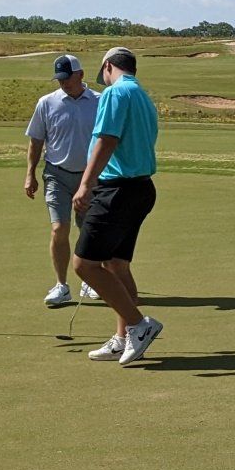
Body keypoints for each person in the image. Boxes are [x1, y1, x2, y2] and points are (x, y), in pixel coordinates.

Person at [72, 47, 164, 365]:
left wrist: (85, 184)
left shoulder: (115, 93)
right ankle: (123, 338)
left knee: (84, 265)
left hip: (117, 190)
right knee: (116, 264)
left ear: (108, 66)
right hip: (140, 189)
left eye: (104, 74)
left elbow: (107, 140)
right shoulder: (143, 96)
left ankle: (139, 325)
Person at [23, 54, 102, 308]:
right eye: (59, 79)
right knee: (59, 228)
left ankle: (91, 280)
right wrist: (30, 173)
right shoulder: (46, 103)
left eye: (67, 78)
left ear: (80, 75)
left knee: (88, 230)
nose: (63, 83)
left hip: (90, 177)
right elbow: (36, 141)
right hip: (56, 174)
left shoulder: (100, 101)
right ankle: (61, 285)